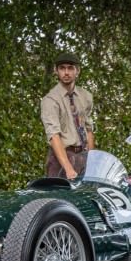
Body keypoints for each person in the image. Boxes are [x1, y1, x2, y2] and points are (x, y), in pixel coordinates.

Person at [41, 51, 94, 180]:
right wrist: (68, 168)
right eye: (62, 68)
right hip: (60, 159)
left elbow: (88, 129)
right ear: (56, 71)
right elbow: (54, 135)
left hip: (82, 155)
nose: (66, 72)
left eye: (70, 68)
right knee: (60, 193)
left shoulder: (86, 96)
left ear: (77, 71)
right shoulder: (50, 100)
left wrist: (92, 161)